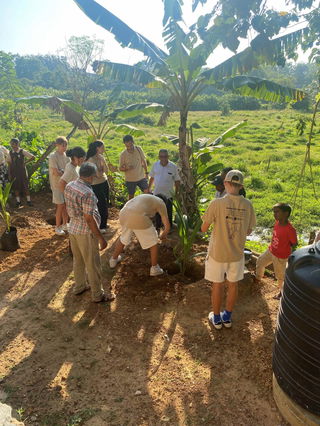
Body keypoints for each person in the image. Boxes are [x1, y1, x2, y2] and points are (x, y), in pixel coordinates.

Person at [201, 170, 256, 329]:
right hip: (237, 254)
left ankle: (216, 318)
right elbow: (249, 230)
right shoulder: (248, 205)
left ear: (225, 183)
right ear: (241, 186)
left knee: (217, 285)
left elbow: (204, 229)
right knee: (233, 285)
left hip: (218, 253)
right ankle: (228, 317)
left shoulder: (216, 203)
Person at [64, 162, 114, 303]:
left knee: (78, 260)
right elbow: (89, 218)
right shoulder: (88, 193)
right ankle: (98, 295)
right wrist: (100, 238)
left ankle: (79, 286)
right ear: (91, 176)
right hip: (85, 232)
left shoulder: (70, 185)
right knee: (92, 263)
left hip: (73, 228)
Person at [109, 194, 170, 276]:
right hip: (137, 216)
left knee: (123, 238)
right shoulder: (161, 202)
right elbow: (167, 225)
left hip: (124, 213)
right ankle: (154, 268)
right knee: (154, 241)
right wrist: (163, 235)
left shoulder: (147, 197)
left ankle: (113, 260)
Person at [256, 203, 297, 300]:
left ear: (286, 213)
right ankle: (257, 278)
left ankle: (282, 292)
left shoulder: (290, 229)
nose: (274, 214)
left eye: (277, 212)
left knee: (280, 277)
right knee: (260, 261)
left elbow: (294, 243)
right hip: (271, 251)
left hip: (281, 257)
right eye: (274, 212)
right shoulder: (277, 222)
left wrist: (285, 249)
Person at [148, 149, 180, 228]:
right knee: (157, 212)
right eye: (161, 156)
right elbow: (152, 177)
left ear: (168, 156)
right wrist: (149, 188)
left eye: (165, 156)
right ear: (159, 157)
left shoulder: (173, 166)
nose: (164, 158)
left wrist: (177, 192)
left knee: (168, 212)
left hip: (168, 195)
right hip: (157, 194)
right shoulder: (155, 165)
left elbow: (177, 180)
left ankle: (168, 229)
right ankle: (158, 227)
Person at [86, 141, 109, 233]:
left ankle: (103, 223)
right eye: (102, 147)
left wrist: (101, 169)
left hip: (104, 182)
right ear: (97, 148)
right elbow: (98, 174)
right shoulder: (91, 160)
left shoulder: (101, 157)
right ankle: (100, 226)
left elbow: (106, 171)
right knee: (100, 204)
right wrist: (101, 169)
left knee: (105, 202)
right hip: (96, 185)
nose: (104, 149)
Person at [48, 136, 70, 236]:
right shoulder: (53, 156)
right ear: (57, 145)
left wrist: (63, 172)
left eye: (66, 145)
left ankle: (65, 224)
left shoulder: (67, 156)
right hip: (56, 185)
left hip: (65, 184)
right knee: (60, 206)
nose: (64, 147)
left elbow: (66, 171)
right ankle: (57, 227)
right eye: (62, 145)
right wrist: (65, 172)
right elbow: (56, 172)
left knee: (65, 205)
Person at [119, 134, 149, 200]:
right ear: (124, 144)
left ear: (133, 142)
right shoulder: (123, 154)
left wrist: (146, 173)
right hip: (130, 179)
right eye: (127, 145)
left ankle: (146, 207)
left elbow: (144, 161)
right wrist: (127, 168)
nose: (129, 147)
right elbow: (120, 168)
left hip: (141, 177)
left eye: (130, 144)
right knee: (131, 196)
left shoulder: (139, 149)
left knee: (147, 192)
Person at [8, 138, 35, 207]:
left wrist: (25, 163)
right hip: (14, 172)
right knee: (16, 187)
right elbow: (9, 163)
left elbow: (32, 157)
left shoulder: (22, 151)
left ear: (17, 144)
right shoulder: (10, 153)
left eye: (14, 144)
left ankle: (29, 201)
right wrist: (9, 173)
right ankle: (18, 202)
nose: (12, 146)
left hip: (22, 172)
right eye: (11, 144)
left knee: (25, 186)